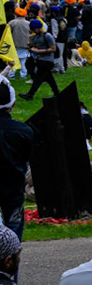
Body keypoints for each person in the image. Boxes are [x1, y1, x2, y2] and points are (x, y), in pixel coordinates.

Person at [0, 83, 30, 238]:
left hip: (13, 186)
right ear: (13, 103)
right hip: (13, 186)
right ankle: (11, 258)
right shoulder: (23, 131)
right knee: (14, 227)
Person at [22, 21, 57, 100]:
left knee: (38, 78)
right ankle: (57, 93)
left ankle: (30, 94)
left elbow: (53, 49)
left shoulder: (48, 36)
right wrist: (30, 39)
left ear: (37, 28)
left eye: (33, 29)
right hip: (40, 60)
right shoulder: (36, 36)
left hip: (47, 60)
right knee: (49, 78)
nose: (33, 31)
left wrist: (38, 51)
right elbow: (33, 46)